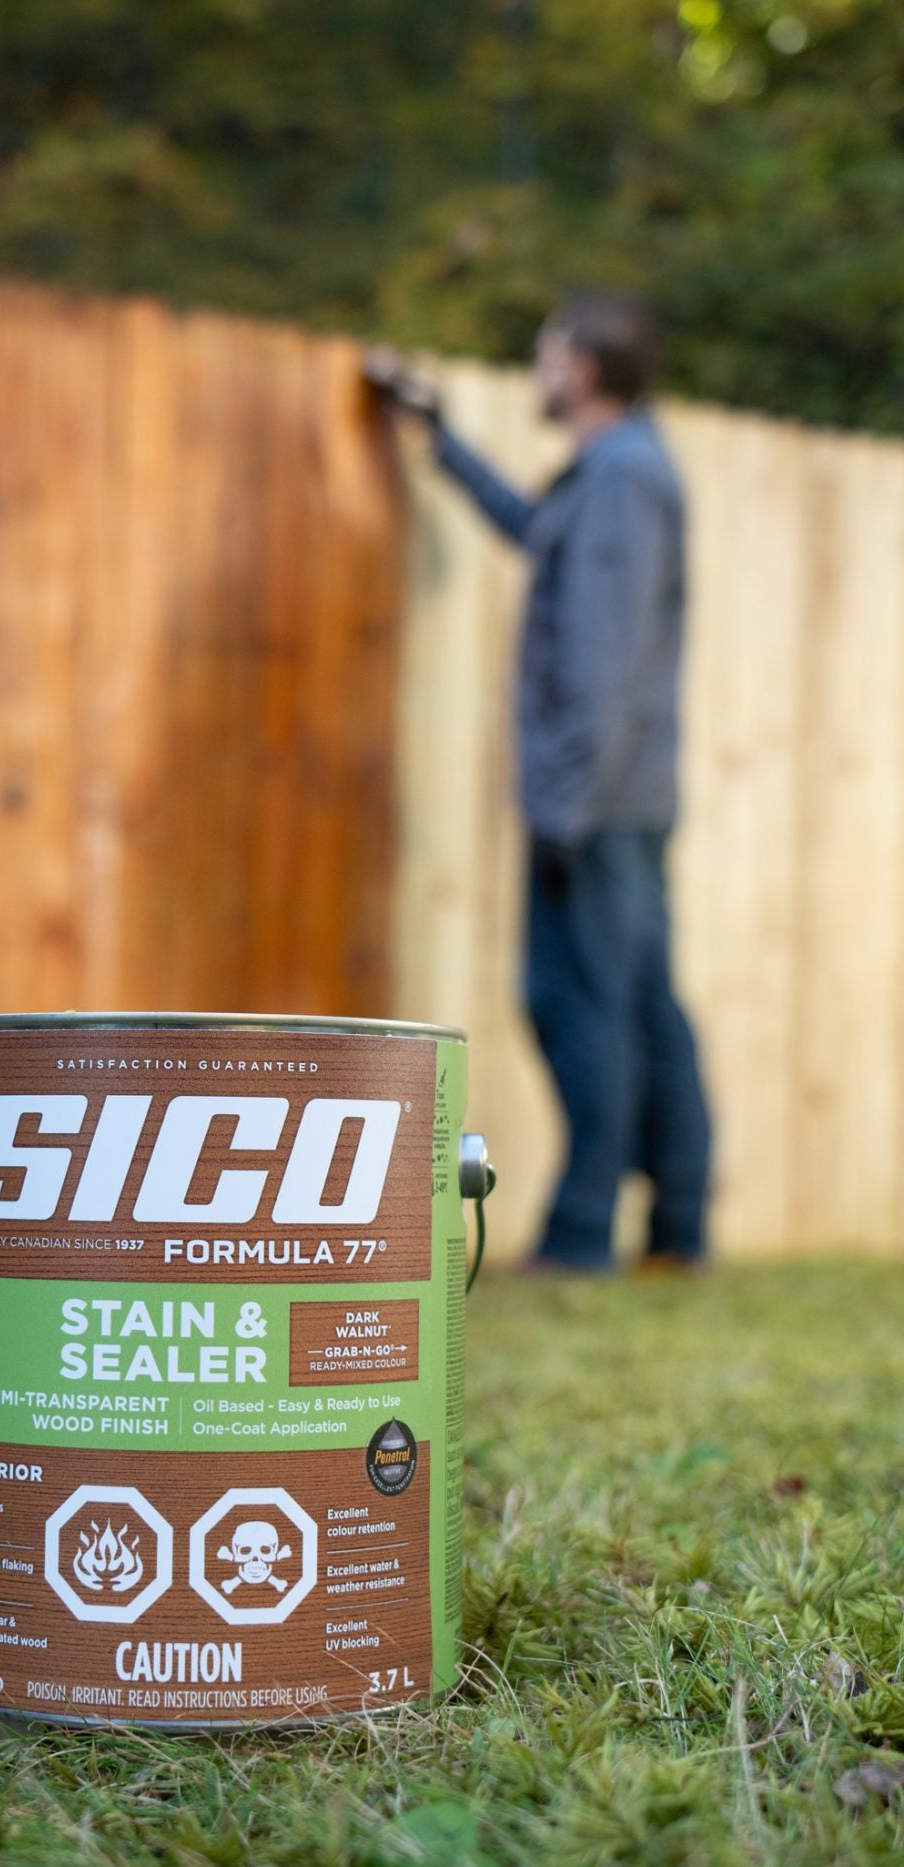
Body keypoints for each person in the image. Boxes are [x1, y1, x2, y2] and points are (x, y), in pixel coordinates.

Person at [369, 294, 712, 1272]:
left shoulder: (622, 476)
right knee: (638, 1002)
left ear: (585, 369)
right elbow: (535, 529)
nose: (539, 370)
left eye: (548, 355)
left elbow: (602, 663)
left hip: (595, 803)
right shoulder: (615, 473)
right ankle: (677, 1225)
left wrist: (563, 806)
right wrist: (441, 438)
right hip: (619, 796)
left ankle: (580, 1232)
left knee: (579, 1005)